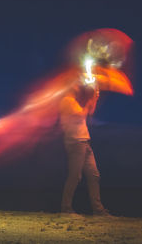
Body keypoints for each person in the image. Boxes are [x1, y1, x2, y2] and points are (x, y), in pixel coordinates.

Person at [59, 80, 110, 216]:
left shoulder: (73, 101)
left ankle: (98, 210)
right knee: (75, 176)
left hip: (84, 141)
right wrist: (89, 100)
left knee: (94, 175)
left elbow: (89, 113)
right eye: (75, 85)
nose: (78, 86)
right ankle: (66, 208)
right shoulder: (67, 101)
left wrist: (95, 97)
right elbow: (81, 114)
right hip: (75, 142)